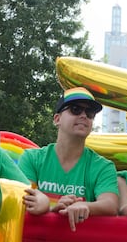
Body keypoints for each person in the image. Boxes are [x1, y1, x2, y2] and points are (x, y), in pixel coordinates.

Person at [19, 87, 118, 232]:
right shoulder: (31, 158)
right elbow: (22, 201)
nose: (84, 115)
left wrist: (84, 206)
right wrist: (52, 208)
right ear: (57, 119)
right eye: (75, 109)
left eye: (90, 113)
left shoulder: (103, 166)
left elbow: (111, 205)